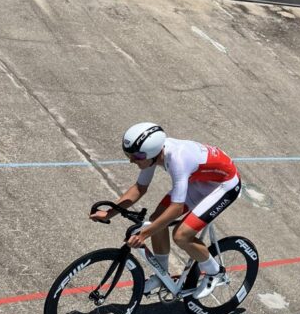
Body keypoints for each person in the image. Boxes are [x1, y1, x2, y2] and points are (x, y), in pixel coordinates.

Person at [90, 122, 241, 298]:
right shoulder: (153, 154)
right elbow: (140, 188)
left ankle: (215, 272)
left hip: (224, 185)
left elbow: (176, 209)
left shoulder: (177, 159)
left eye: (136, 157)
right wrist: (110, 212)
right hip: (200, 180)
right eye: (129, 155)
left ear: (152, 153)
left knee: (181, 235)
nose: (132, 160)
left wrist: (144, 234)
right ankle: (162, 274)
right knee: (156, 220)